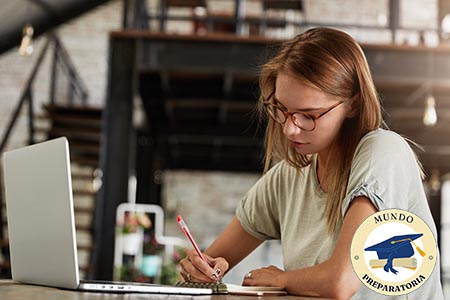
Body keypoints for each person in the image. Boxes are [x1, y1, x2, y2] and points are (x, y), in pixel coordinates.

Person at [178, 27, 444, 299]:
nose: (290, 129)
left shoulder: (384, 152)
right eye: (282, 109)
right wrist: (201, 269)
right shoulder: (287, 178)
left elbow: (341, 281)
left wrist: (281, 278)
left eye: (309, 114)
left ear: (353, 104)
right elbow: (210, 263)